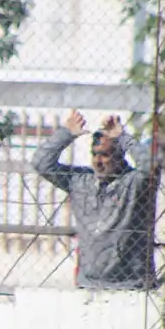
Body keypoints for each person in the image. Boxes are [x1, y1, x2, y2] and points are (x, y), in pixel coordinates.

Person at [34, 111, 155, 290]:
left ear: (120, 157)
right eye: (94, 154)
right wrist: (66, 133)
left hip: (130, 286)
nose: (98, 161)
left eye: (105, 155)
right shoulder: (81, 181)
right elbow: (41, 164)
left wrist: (122, 137)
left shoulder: (133, 184)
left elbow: (150, 167)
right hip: (88, 285)